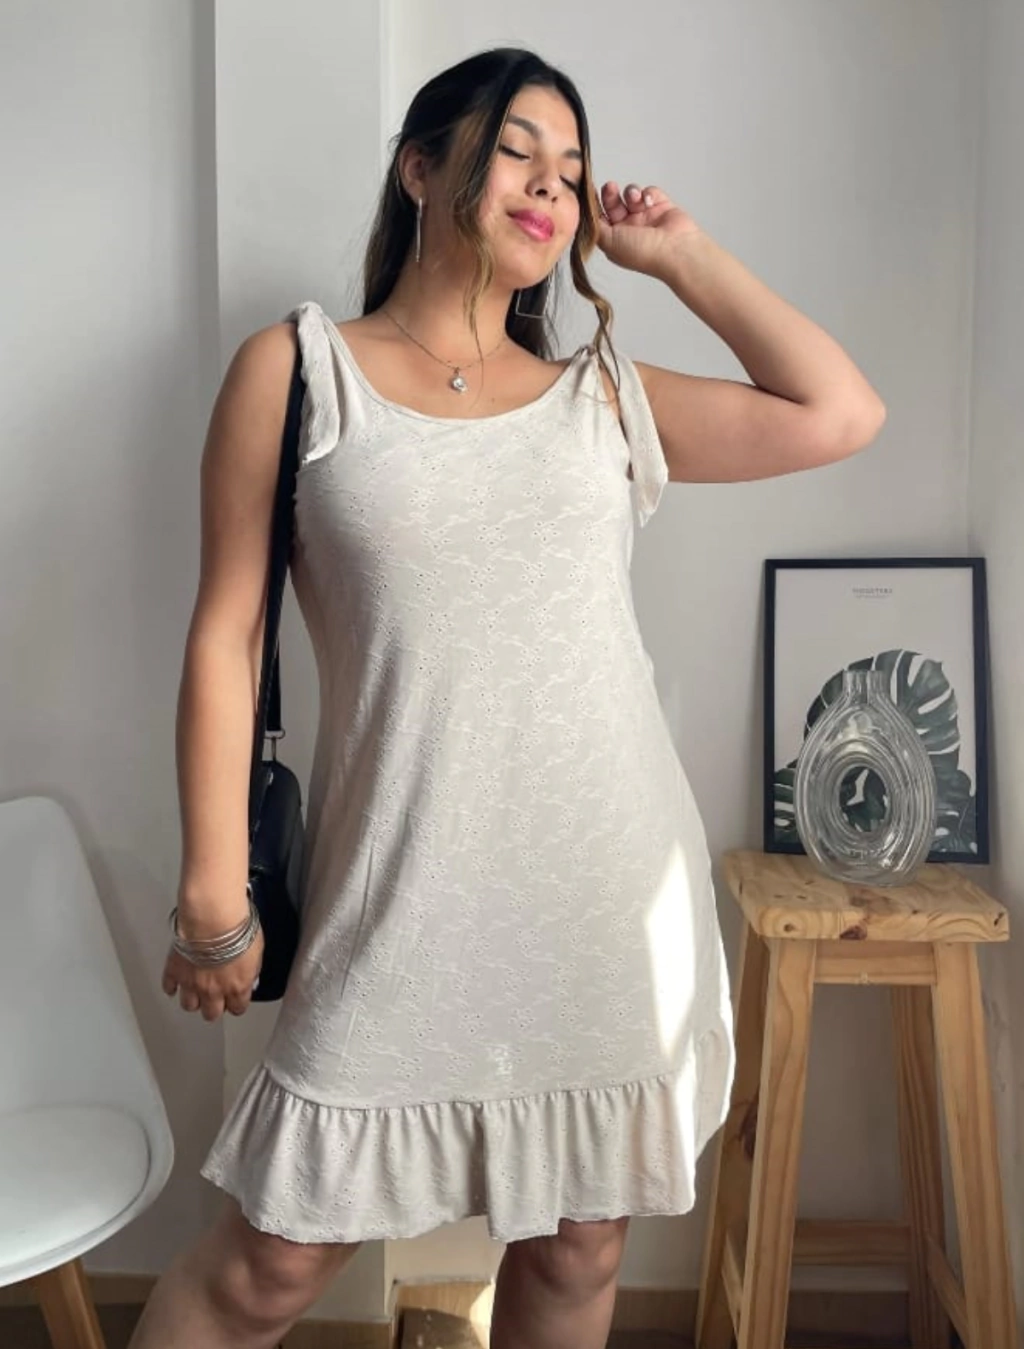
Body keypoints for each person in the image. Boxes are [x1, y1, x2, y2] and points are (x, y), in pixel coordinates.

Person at [129, 45, 886, 1349]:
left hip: (602, 890)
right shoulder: (298, 371)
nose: (551, 186)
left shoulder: (602, 396)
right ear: (421, 169)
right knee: (267, 1266)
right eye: (518, 151)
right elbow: (227, 631)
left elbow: (840, 412)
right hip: (401, 888)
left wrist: (679, 255)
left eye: (572, 170)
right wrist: (212, 886)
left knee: (581, 1248)